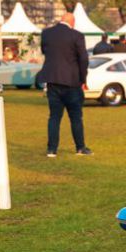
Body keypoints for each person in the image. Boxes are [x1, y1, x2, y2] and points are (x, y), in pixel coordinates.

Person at [38, 11, 91, 157]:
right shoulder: (77, 35)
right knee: (75, 117)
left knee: (54, 117)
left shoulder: (46, 33)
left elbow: (45, 52)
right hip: (72, 81)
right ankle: (80, 148)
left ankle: (51, 150)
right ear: (72, 22)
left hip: (53, 81)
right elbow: (83, 60)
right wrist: (83, 79)